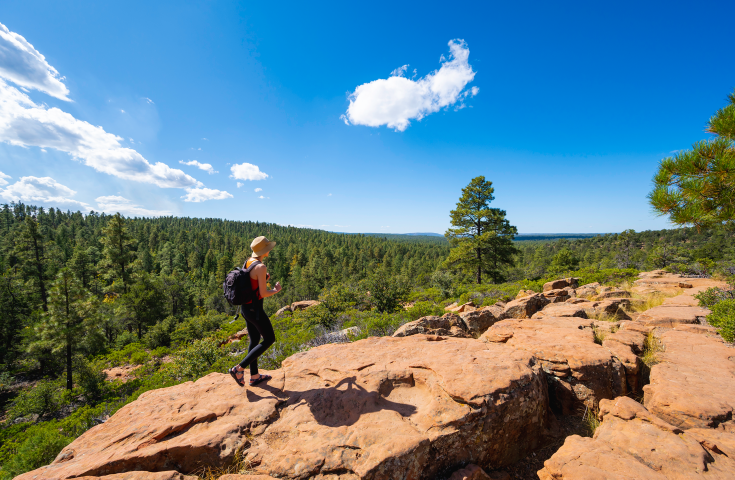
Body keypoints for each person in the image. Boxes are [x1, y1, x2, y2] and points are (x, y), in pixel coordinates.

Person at [229, 236, 282, 387]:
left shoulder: (248, 262)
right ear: (264, 250)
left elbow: (250, 282)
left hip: (246, 308)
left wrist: (263, 279)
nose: (269, 250)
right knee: (269, 339)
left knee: (254, 340)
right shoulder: (261, 267)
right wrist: (276, 290)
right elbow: (264, 293)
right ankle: (238, 369)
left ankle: (254, 376)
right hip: (255, 309)